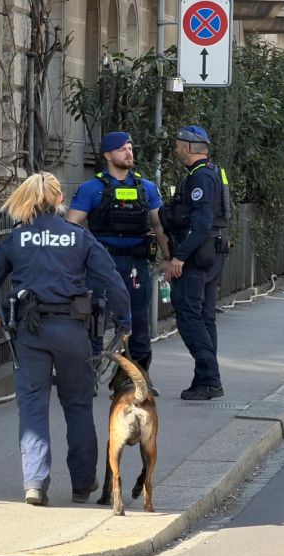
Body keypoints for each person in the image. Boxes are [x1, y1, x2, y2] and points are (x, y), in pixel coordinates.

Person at [0, 172, 131, 507]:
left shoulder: (17, 239)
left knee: (32, 406)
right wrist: (125, 320)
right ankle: (83, 483)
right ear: (60, 200)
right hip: (74, 332)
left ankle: (34, 482)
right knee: (78, 405)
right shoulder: (79, 237)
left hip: (30, 333)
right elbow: (113, 281)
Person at [67, 131, 170, 390]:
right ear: (107, 155)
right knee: (94, 318)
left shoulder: (147, 189)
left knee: (139, 322)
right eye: (122, 148)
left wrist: (169, 258)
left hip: (136, 264)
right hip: (102, 264)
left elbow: (159, 225)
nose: (129, 152)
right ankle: (88, 377)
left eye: (130, 147)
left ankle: (136, 378)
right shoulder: (91, 189)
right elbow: (72, 227)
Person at [162, 125, 230, 400]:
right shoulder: (212, 172)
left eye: (178, 144)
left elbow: (200, 224)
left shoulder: (200, 178)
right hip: (212, 254)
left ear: (188, 147)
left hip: (198, 257)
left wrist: (179, 256)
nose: (176, 148)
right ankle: (205, 380)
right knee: (205, 318)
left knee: (190, 317)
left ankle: (210, 379)